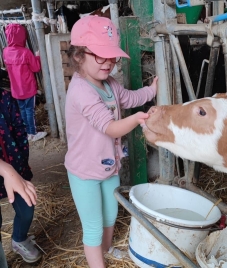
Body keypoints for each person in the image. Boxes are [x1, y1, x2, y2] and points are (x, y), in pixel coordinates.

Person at [64, 16, 158, 268]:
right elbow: (111, 128)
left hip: (109, 165)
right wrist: (140, 119)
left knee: (111, 214)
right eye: (100, 56)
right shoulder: (82, 92)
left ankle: (106, 249)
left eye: (112, 56)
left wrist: (151, 91)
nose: (108, 63)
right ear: (78, 56)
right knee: (93, 225)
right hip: (84, 172)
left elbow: (127, 98)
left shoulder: (109, 83)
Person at [0, 87, 41, 264]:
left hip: (14, 168)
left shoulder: (5, 98)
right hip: (6, 169)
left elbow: (19, 131)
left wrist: (21, 168)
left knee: (27, 207)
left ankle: (19, 238)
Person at [3, 23, 47, 142]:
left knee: (22, 110)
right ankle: (32, 133)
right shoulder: (25, 52)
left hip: (16, 89)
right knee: (30, 111)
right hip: (28, 87)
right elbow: (36, 68)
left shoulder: (5, 51)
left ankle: (25, 133)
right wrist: (38, 56)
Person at [0, 159, 37, 268]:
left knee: (27, 206)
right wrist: (4, 169)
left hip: (14, 161)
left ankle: (19, 239)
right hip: (8, 168)